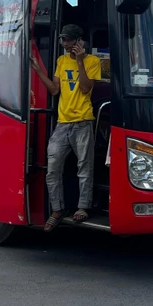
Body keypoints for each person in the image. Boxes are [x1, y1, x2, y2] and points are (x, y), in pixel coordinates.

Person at [30, 24, 102, 230]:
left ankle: (83, 206)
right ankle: (57, 208)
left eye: (68, 40)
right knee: (52, 168)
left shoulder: (93, 61)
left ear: (79, 42)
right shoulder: (61, 61)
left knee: (84, 168)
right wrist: (38, 70)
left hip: (83, 121)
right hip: (63, 123)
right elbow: (54, 90)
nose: (64, 43)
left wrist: (80, 61)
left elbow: (87, 88)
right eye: (63, 40)